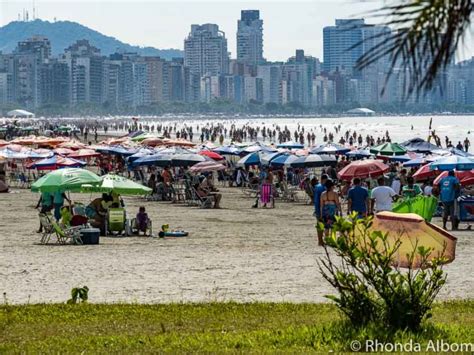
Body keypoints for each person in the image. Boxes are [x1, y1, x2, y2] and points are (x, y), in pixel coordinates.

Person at [314, 174, 328, 246]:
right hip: (322, 209)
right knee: (321, 225)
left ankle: (321, 240)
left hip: (320, 208)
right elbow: (317, 201)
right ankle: (320, 240)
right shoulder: (321, 188)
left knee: (321, 225)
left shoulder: (318, 187)